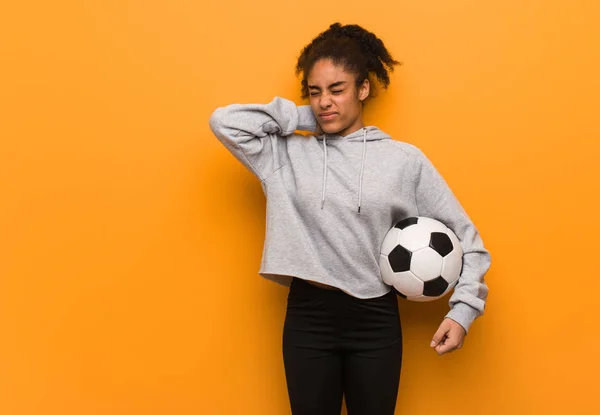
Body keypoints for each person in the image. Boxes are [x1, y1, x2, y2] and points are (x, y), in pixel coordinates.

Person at [209, 22, 491, 415]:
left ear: (363, 89)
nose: (325, 101)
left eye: (337, 90)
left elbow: (469, 242)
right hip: (308, 317)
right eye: (315, 91)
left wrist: (462, 311)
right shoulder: (284, 155)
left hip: (375, 320)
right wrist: (310, 117)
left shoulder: (403, 161)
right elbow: (225, 121)